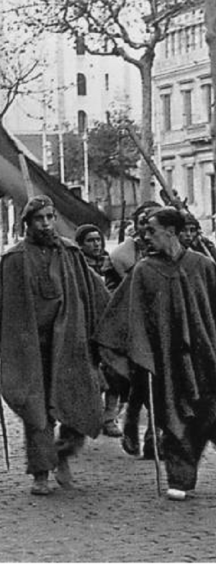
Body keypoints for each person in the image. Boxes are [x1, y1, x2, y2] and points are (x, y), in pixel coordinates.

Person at [0, 196, 107, 495]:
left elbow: (94, 293)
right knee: (37, 412)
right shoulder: (14, 259)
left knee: (81, 401)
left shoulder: (71, 253)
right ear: (28, 223)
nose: (47, 224)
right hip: (30, 347)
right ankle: (40, 472)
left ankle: (62, 451)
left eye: (50, 217)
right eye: (40, 219)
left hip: (71, 344)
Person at [95, 207, 216, 501]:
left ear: (170, 232)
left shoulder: (202, 265)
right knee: (173, 416)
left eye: (152, 230)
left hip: (205, 358)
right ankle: (180, 477)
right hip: (165, 361)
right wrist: (138, 350)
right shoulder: (144, 271)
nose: (145, 236)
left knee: (210, 414)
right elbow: (126, 314)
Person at [105, 201, 163, 459]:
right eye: (143, 223)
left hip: (165, 331)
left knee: (163, 388)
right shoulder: (124, 256)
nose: (147, 230)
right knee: (140, 384)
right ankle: (131, 424)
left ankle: (154, 436)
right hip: (134, 329)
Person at [75, 224, 125, 438]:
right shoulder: (75, 267)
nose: (96, 244)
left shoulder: (111, 264)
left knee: (115, 371)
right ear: (80, 245)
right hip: (84, 327)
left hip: (110, 326)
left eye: (98, 240)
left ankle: (109, 416)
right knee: (87, 374)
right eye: (90, 241)